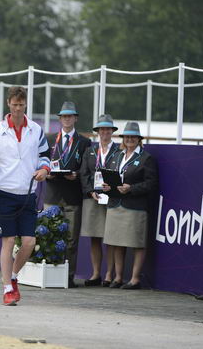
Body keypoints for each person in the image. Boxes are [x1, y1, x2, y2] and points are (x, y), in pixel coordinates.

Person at [0, 86, 49, 306]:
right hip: (4, 192)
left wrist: (44, 170)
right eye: (14, 104)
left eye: (21, 105)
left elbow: (45, 155)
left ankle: (13, 276)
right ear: (8, 104)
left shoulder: (36, 129)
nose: (17, 109)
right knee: (7, 242)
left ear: (25, 105)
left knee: (29, 242)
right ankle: (7, 289)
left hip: (28, 193)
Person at [101, 121, 158, 289]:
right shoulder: (117, 155)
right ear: (123, 138)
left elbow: (151, 184)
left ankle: (134, 279)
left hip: (134, 206)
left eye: (133, 137)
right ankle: (118, 277)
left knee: (136, 243)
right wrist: (107, 186)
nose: (130, 139)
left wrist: (131, 188)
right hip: (115, 204)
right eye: (127, 137)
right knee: (117, 242)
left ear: (139, 139)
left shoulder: (146, 158)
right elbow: (112, 177)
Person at [44, 101, 90, 288]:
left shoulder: (84, 142)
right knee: (49, 236)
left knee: (71, 240)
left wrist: (77, 175)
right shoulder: (49, 139)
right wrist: (46, 172)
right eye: (64, 116)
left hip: (72, 196)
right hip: (53, 194)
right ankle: (48, 275)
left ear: (75, 118)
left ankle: (68, 276)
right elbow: (42, 162)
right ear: (60, 119)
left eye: (70, 116)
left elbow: (86, 169)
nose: (67, 119)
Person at [79, 114, 120, 287]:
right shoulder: (90, 151)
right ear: (97, 132)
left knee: (109, 237)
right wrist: (90, 192)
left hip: (111, 199)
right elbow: (84, 174)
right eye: (102, 129)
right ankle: (96, 273)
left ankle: (109, 274)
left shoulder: (119, 152)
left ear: (112, 131)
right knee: (95, 237)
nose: (105, 132)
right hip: (94, 198)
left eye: (108, 129)